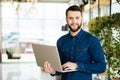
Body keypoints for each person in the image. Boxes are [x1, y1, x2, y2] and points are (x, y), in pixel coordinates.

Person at [41, 5, 106, 80]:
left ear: (82, 19)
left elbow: (101, 67)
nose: (74, 21)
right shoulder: (61, 41)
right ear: (66, 19)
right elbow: (60, 67)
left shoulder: (92, 40)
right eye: (71, 18)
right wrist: (53, 71)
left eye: (77, 18)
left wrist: (77, 65)